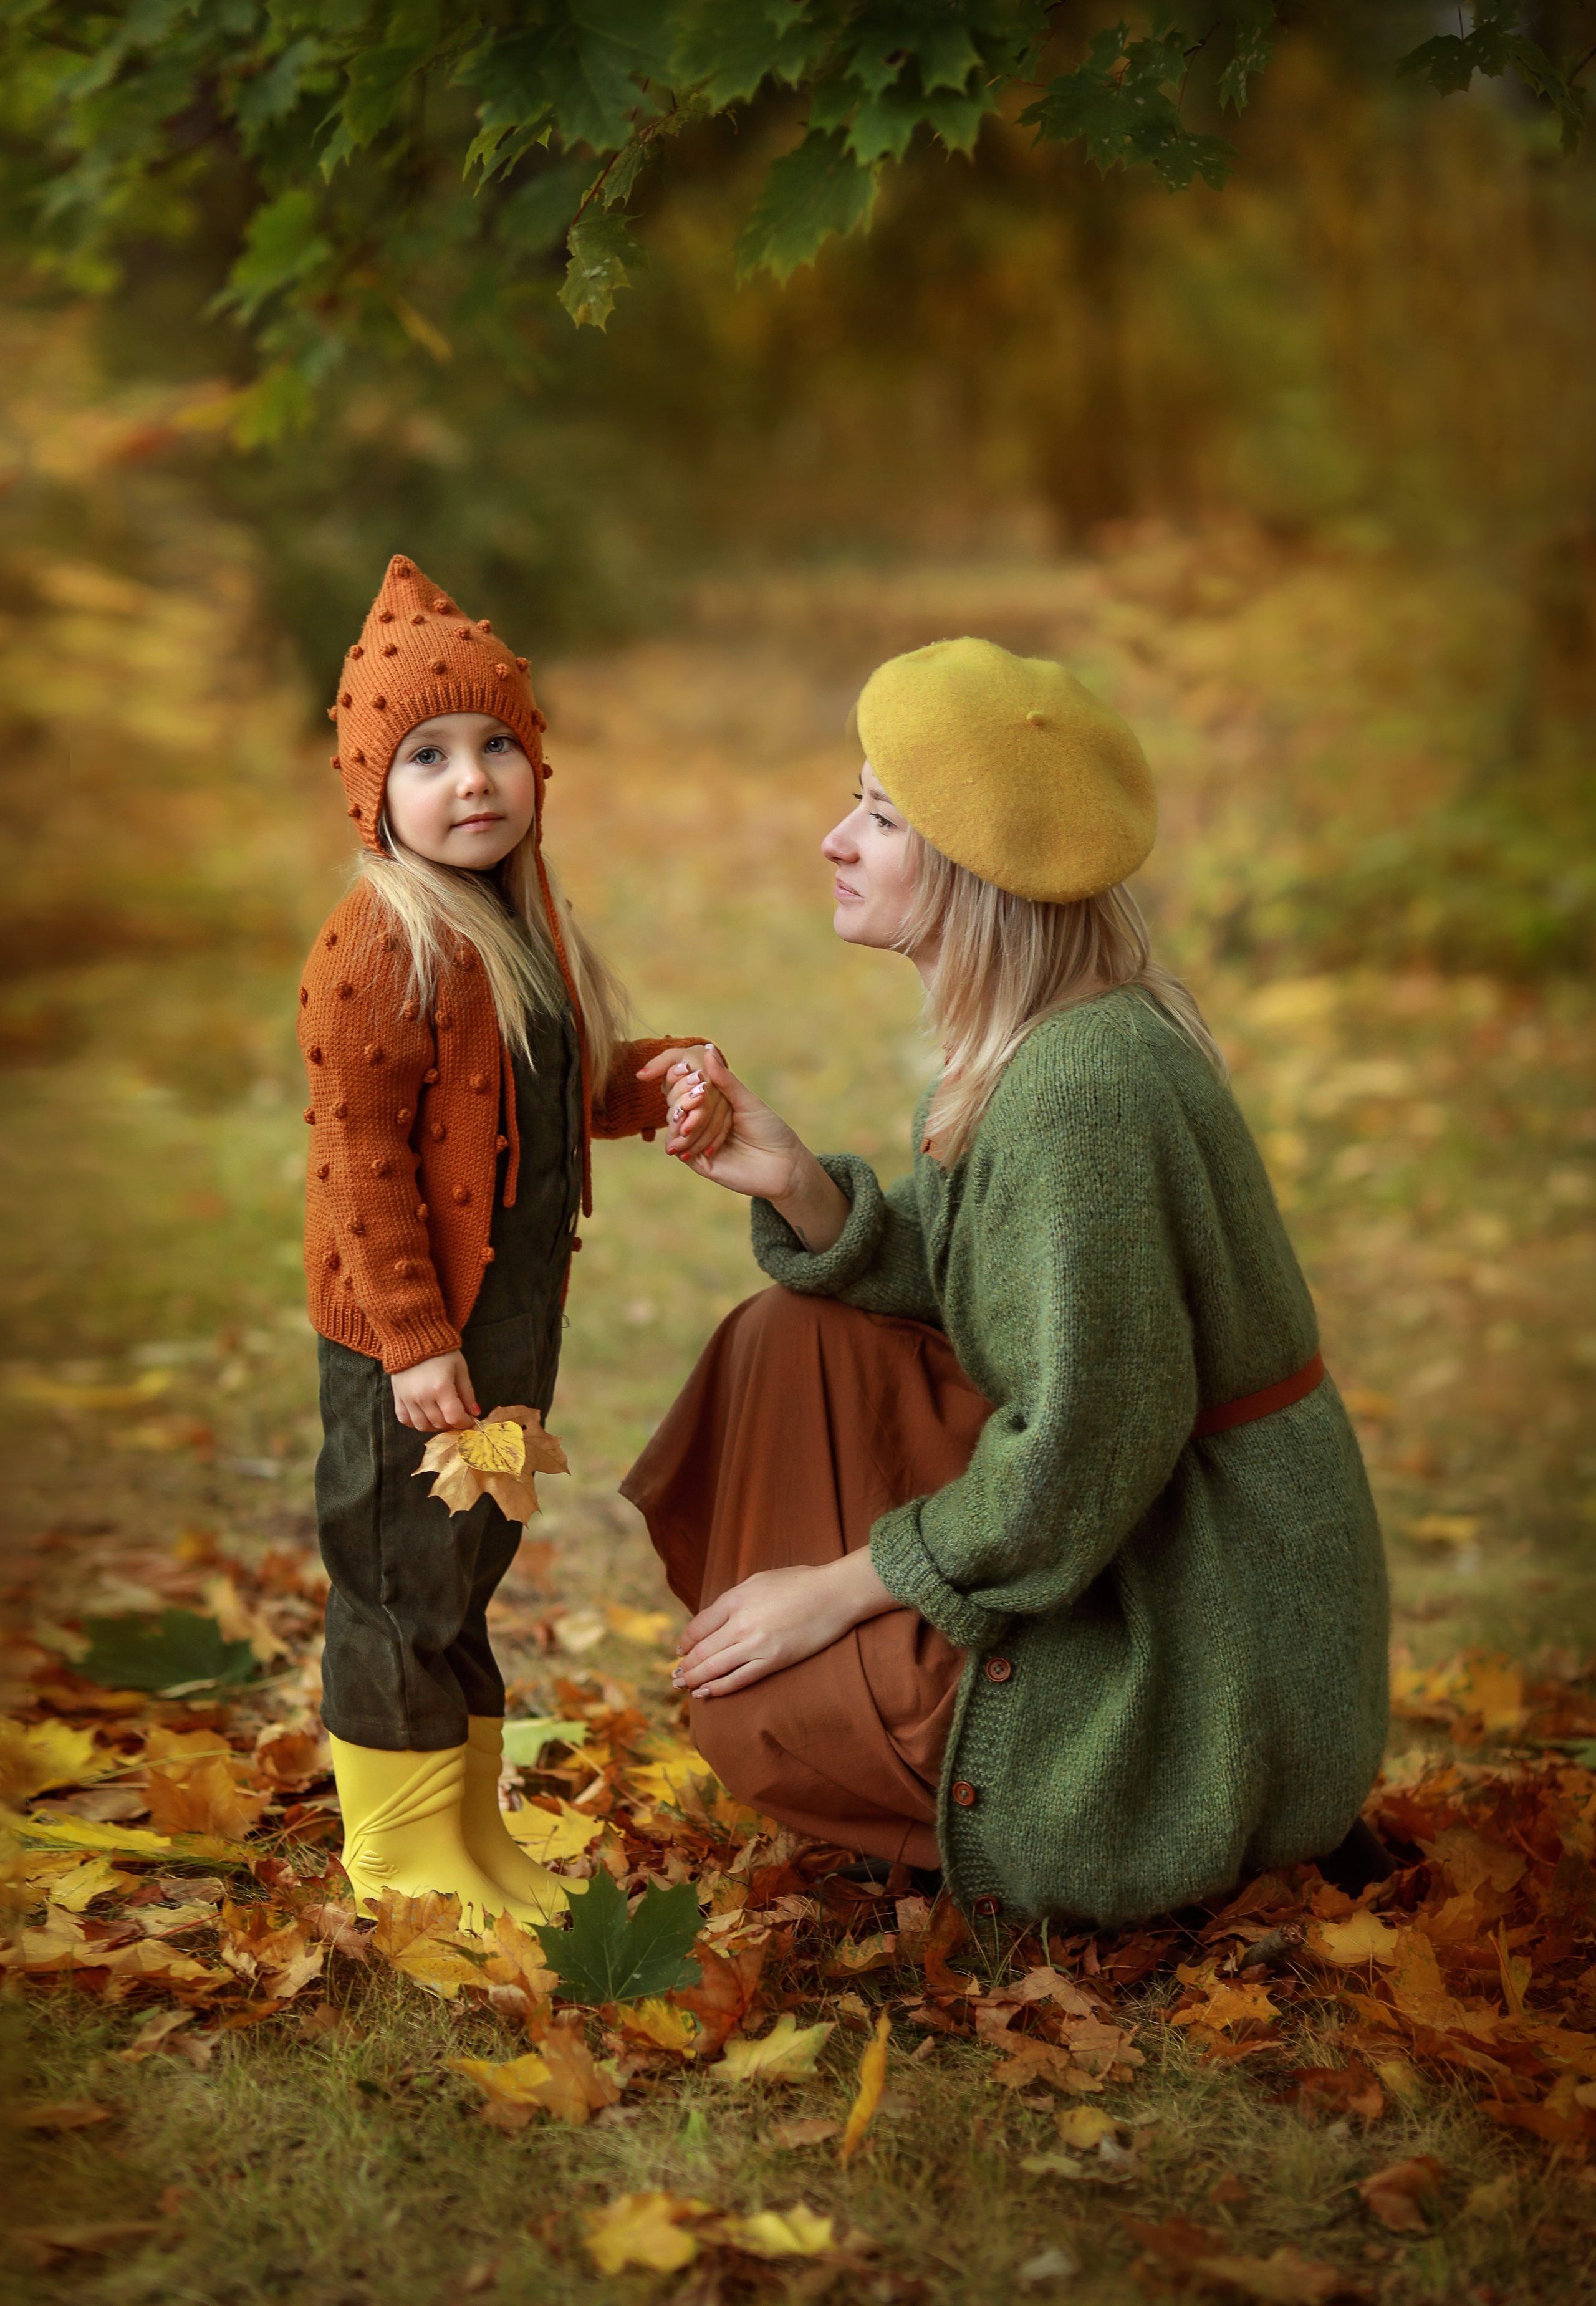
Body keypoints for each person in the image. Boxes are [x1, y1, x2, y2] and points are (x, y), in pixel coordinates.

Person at [623, 637, 1391, 1928]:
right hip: (1154, 1522)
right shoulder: (1046, 1040)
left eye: (880, 818)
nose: (833, 839)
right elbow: (990, 1276)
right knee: (786, 1336)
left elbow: (1083, 1446)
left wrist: (836, 1590)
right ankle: (874, 1686)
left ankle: (1049, 1791)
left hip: (1211, 1618)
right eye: (855, 801)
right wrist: (801, 1186)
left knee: (765, 1713)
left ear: (975, 875)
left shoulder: (1078, 1088)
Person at [300, 554, 724, 1924]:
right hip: (414, 1349)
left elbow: (546, 1095)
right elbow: (363, 1168)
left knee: (464, 1566)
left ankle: (466, 1831)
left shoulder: (517, 924)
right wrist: (415, 1345)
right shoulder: (382, 946)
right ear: (374, 790)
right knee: (396, 1582)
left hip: (504, 1336)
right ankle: (398, 1859)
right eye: (427, 755)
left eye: (496, 745)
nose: (472, 779)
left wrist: (658, 1078)